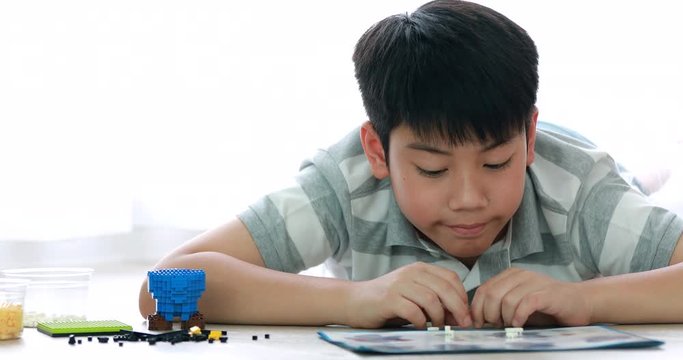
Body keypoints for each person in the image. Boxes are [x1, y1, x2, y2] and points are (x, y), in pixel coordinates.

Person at [138, 0, 683, 329]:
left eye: (496, 163)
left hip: (594, 174)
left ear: (529, 137)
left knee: (630, 185)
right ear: (377, 150)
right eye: (431, 171)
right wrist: (353, 299)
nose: (469, 197)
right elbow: (162, 285)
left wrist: (585, 299)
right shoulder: (346, 182)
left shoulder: (579, 188)